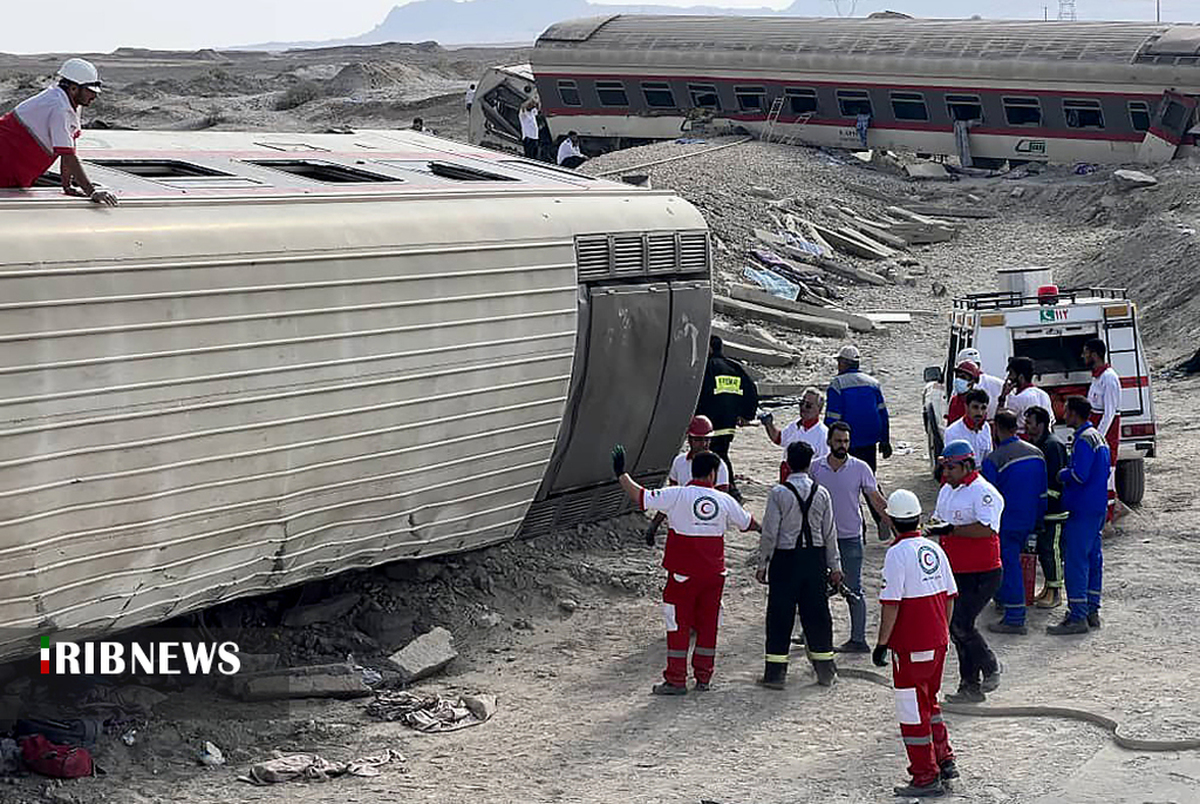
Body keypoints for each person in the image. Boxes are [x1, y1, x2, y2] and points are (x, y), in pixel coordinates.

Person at [612, 445, 758, 694]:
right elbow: (749, 523)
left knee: (678, 625)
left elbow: (641, 496)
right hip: (715, 575)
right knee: (708, 626)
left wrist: (621, 474)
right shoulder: (724, 500)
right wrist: (774, 532)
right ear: (712, 474)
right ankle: (704, 677)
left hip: (683, 575)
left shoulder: (676, 495)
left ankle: (676, 679)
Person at [873, 489, 959, 799]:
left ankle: (925, 775)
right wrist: (942, 633)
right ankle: (944, 758)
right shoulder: (935, 550)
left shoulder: (897, 554)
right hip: (937, 641)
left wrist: (882, 644)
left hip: (911, 646)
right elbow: (950, 597)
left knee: (912, 711)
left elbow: (891, 604)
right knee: (929, 702)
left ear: (893, 522)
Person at [757, 441, 842, 689]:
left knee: (780, 616)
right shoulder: (822, 492)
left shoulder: (779, 493)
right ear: (809, 464)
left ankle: (775, 675)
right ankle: (825, 671)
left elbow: (770, 532)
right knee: (817, 615)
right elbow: (830, 533)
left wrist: (763, 563)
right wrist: (835, 567)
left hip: (786, 560)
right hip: (814, 560)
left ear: (787, 464)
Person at [929, 440, 1004, 703]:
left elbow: (987, 529)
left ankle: (990, 664)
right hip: (954, 571)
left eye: (950, 468)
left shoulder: (984, 492)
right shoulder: (947, 490)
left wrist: (950, 530)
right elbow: (938, 520)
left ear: (967, 465)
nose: (945, 473)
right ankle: (969, 685)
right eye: (944, 468)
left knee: (961, 623)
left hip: (983, 572)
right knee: (957, 627)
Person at [811, 422, 891, 653]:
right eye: (838, 441)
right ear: (829, 442)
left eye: (846, 441)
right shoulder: (815, 469)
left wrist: (899, 526)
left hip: (850, 537)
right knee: (816, 590)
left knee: (853, 589)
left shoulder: (861, 468)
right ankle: (814, 636)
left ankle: (858, 640)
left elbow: (876, 499)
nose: (842, 446)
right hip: (821, 539)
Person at [0, 58, 117, 205]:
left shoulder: (71, 102)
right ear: (74, 88)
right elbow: (67, 156)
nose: (95, 96)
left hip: (15, 166)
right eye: (90, 91)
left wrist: (67, 186)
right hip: (6, 162)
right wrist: (91, 191)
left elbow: (69, 147)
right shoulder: (59, 107)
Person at [1047, 397, 1109, 635]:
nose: (1064, 414)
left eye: (1067, 411)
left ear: (1074, 413)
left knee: (1075, 562)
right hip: (1096, 507)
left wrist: (1062, 474)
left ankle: (1077, 616)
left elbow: (1080, 475)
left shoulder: (1083, 440)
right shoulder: (1098, 437)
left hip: (1082, 509)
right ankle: (1091, 609)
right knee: (1094, 559)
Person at [981, 410, 1046, 635]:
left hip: (1006, 522)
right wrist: (1038, 520)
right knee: (1014, 564)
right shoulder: (1036, 453)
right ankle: (1003, 600)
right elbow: (1042, 493)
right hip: (1029, 520)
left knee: (1009, 566)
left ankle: (1015, 617)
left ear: (997, 428)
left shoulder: (994, 459)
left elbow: (987, 497)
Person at [825, 344, 891, 536]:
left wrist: (828, 440)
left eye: (839, 361)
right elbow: (883, 413)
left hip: (844, 444)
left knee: (848, 486)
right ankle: (883, 518)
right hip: (870, 442)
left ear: (845, 363)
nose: (838, 365)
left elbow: (832, 417)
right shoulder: (873, 383)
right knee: (869, 481)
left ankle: (857, 527)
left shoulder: (837, 385)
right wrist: (885, 440)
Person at [643, 415, 731, 545]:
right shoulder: (679, 462)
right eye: (699, 440)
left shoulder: (719, 465)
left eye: (707, 440)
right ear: (689, 439)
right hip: (682, 524)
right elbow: (670, 497)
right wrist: (654, 525)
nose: (704, 444)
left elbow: (723, 502)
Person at [696, 335, 758, 502]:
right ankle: (723, 488)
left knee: (716, 454)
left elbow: (700, 394)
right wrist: (747, 415)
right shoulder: (734, 367)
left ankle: (730, 490)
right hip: (729, 423)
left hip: (710, 422)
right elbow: (751, 390)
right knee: (720, 452)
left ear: (709, 348)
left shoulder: (707, 368)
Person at [1025, 406, 1069, 609]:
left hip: (1054, 510)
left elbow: (1056, 481)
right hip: (1043, 509)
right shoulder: (1040, 444)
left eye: (1030, 422)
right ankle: (1048, 588)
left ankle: (1056, 592)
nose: (1027, 426)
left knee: (1052, 550)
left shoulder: (1052, 446)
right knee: (1044, 550)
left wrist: (1043, 499)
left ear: (1041, 424)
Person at [1083, 338, 1122, 521]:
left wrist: (1097, 437)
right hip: (1097, 432)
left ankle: (1108, 518)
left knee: (1107, 476)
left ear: (1095, 354)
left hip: (1106, 436)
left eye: (1085, 352)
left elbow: (1110, 413)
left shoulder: (1109, 378)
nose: (1083, 356)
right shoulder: (1097, 377)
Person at [760, 386, 828, 482]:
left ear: (819, 409)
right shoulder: (795, 425)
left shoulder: (823, 434)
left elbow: (824, 466)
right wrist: (769, 424)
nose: (803, 407)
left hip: (806, 483)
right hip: (786, 478)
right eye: (801, 403)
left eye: (808, 405)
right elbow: (779, 439)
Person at [998, 356, 1053, 435]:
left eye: (1011, 373)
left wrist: (1003, 396)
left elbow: (1001, 421)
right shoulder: (1044, 395)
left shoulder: (1019, 398)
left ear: (1021, 377)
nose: (1009, 377)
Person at [944, 389, 993, 465]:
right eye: (975, 407)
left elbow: (988, 456)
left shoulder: (986, 428)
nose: (979, 413)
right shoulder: (952, 432)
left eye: (983, 408)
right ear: (966, 407)